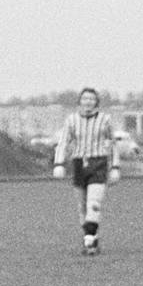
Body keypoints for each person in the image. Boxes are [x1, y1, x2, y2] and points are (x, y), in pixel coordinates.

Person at [52, 88, 121, 256]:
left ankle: (89, 241)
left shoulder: (105, 119)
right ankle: (91, 236)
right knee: (82, 207)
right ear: (80, 101)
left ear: (96, 102)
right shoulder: (71, 120)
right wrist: (59, 163)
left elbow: (112, 144)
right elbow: (63, 142)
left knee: (94, 203)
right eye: (85, 98)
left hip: (98, 163)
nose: (88, 102)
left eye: (91, 99)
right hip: (79, 164)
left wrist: (115, 167)